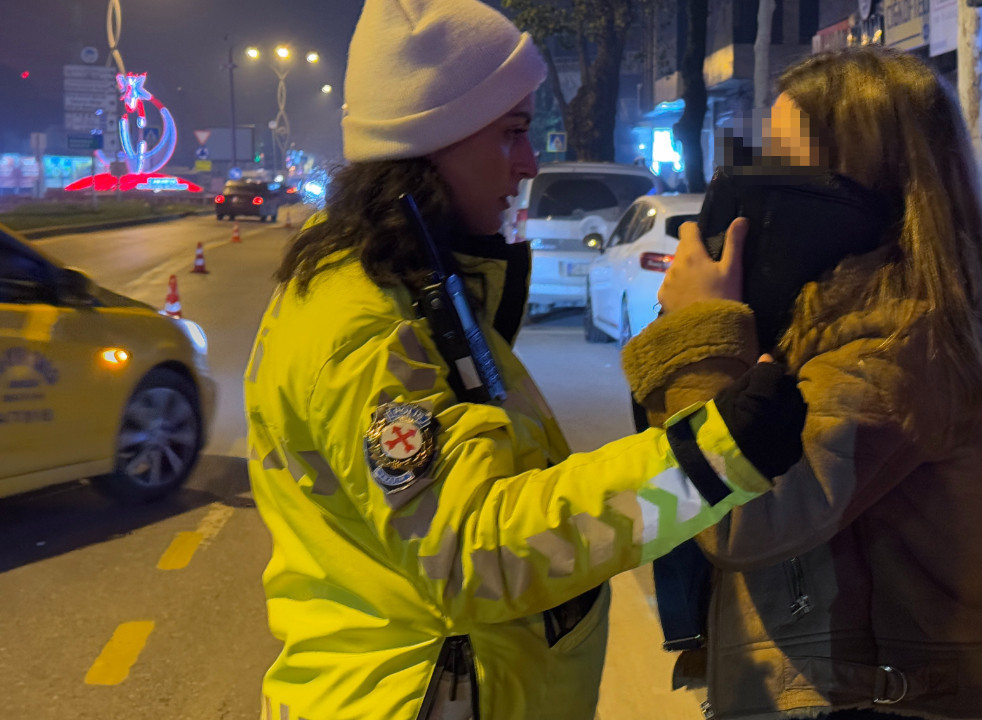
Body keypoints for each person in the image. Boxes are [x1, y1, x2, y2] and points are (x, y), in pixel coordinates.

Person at [242, 2, 807, 719]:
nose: (530, 163)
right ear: (431, 141)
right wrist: (711, 455)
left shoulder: (407, 280)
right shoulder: (365, 325)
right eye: (511, 135)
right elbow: (478, 549)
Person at [621, 47, 982, 720]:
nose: (761, 187)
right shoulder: (829, 311)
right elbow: (666, 493)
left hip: (861, 700)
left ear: (866, 182)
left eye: (788, 167)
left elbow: (738, 524)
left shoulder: (899, 338)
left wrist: (701, 339)